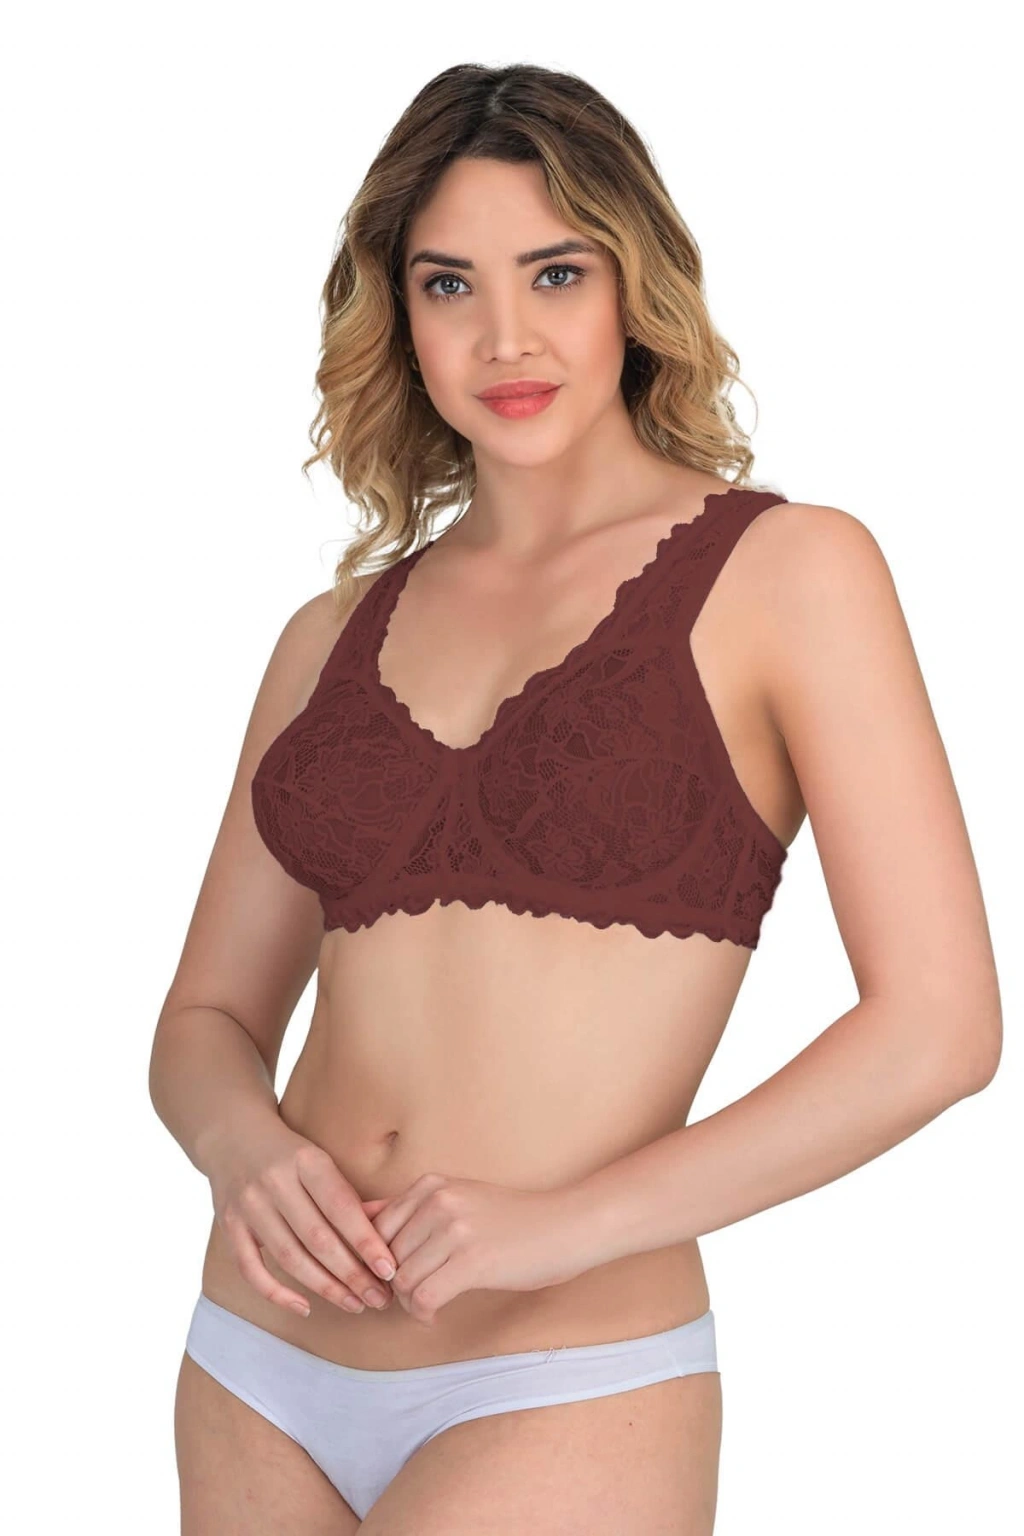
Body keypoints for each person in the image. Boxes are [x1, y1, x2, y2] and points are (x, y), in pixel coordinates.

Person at [149, 61, 1002, 1535]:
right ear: (396, 315)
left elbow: (940, 1030)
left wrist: (561, 1226)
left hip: (563, 1370)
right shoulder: (327, 635)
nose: (505, 337)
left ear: (634, 286)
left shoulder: (791, 573)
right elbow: (204, 1021)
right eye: (448, 284)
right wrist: (247, 1150)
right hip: (257, 1357)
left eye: (556, 272)